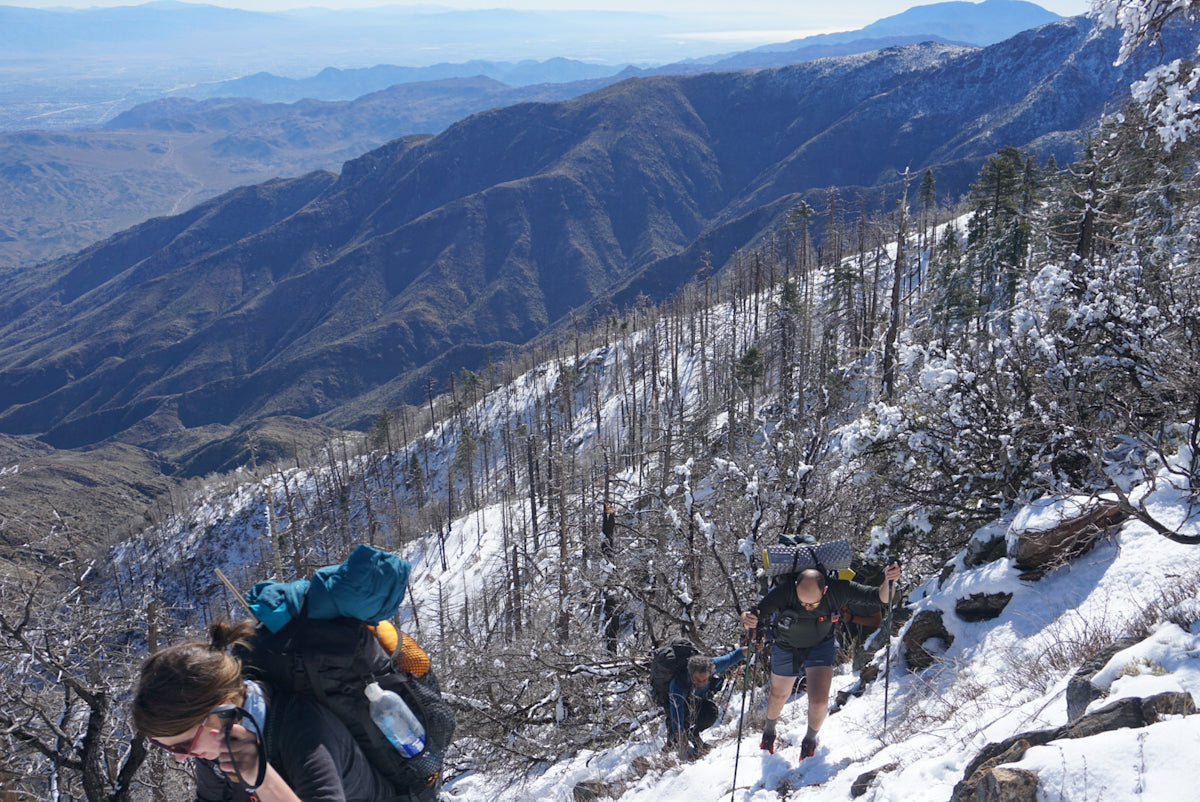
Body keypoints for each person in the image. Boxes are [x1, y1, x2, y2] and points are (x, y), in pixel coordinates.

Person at [132, 620, 399, 802]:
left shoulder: (304, 729)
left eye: (182, 745)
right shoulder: (213, 740)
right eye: (165, 746)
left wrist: (262, 777)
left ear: (222, 706)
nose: (181, 758)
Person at [740, 561, 901, 760]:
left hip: (820, 645)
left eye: (812, 604)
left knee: (818, 702)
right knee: (778, 695)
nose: (807, 608)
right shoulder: (784, 592)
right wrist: (749, 620)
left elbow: (880, 597)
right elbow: (753, 613)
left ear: (825, 590)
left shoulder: (838, 590)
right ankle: (769, 731)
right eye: (802, 603)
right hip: (786, 645)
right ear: (795, 587)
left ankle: (809, 741)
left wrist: (889, 580)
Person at [665, 647, 746, 760]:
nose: (701, 684)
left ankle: (694, 736)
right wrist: (683, 744)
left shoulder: (712, 666)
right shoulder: (677, 685)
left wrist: (750, 648)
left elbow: (732, 657)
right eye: (697, 680)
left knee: (710, 712)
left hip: (697, 703)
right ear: (690, 673)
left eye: (705, 680)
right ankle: (668, 753)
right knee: (674, 741)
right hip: (677, 707)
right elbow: (676, 718)